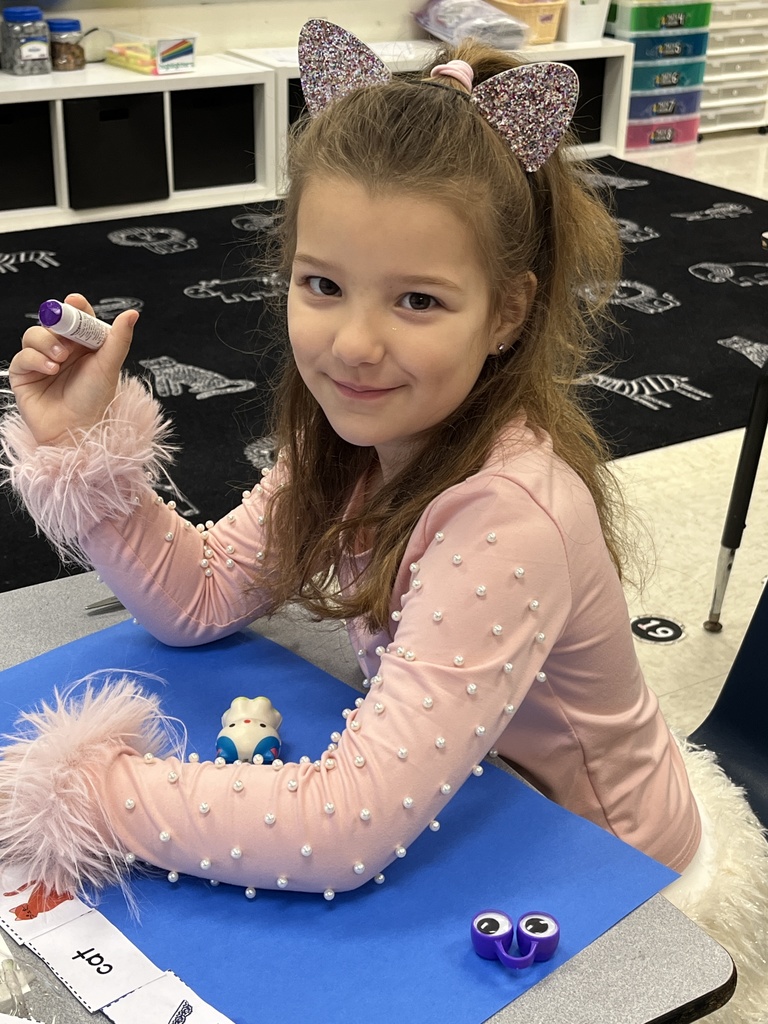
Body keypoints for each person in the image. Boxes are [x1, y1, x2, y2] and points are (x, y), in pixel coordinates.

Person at [1, 20, 766, 1020]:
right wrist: (84, 448)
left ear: (505, 313)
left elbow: (342, 827)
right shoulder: (357, 443)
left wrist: (75, 795)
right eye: (322, 285)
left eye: (417, 299)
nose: (354, 343)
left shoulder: (508, 514)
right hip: (477, 796)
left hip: (607, 881)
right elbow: (197, 597)